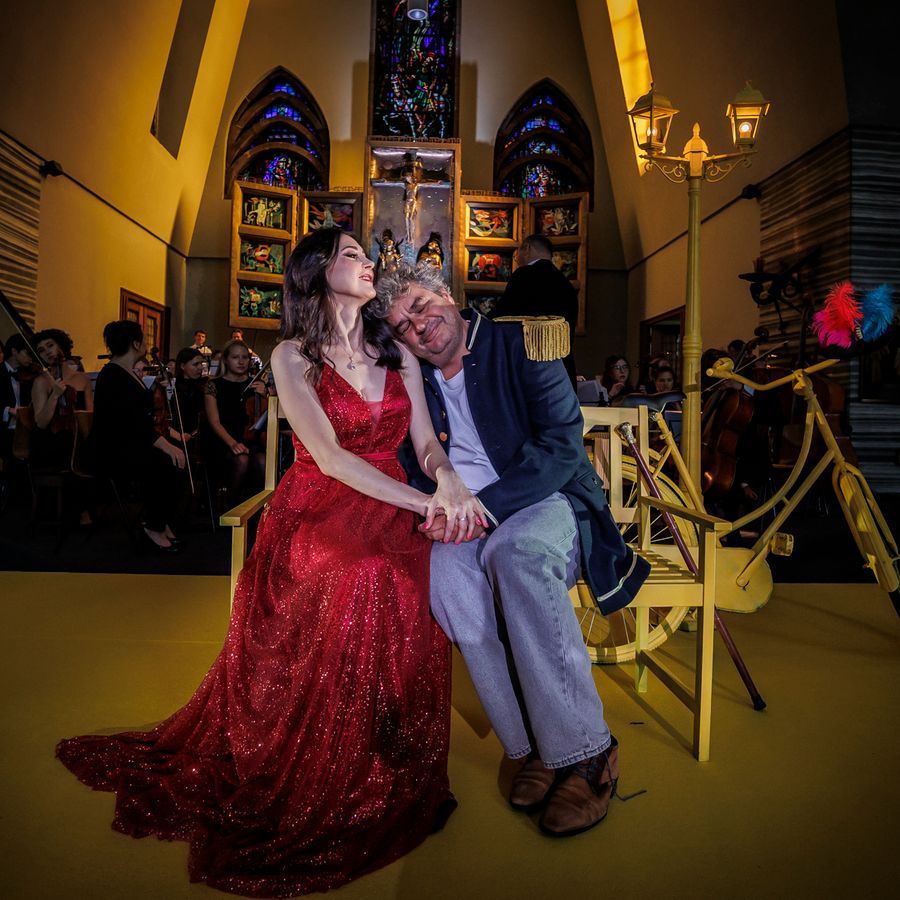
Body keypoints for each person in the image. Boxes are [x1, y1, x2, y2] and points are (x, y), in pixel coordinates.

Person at [57, 227, 480, 896]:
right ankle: (327, 761)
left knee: (409, 575)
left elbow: (425, 443)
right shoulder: (292, 354)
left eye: (365, 255)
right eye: (351, 254)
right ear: (315, 272)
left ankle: (386, 760)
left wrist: (447, 477)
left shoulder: (396, 349)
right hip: (320, 504)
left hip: (393, 498)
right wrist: (426, 503)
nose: (367, 263)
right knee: (357, 574)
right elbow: (331, 459)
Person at [375, 260, 650, 838]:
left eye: (421, 306)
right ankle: (533, 747)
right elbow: (411, 460)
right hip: (466, 516)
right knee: (447, 584)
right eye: (403, 326)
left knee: (516, 554)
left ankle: (589, 753)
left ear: (446, 293)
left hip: (545, 501)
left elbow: (562, 448)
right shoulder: (412, 380)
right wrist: (438, 509)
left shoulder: (523, 342)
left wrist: (487, 508)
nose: (419, 327)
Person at [82, 320, 187, 551]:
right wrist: (166, 446)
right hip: (110, 451)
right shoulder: (113, 375)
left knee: (175, 460)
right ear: (135, 343)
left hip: (128, 444)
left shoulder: (127, 373)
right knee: (165, 462)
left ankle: (159, 520)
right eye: (143, 340)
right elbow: (129, 422)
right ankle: (153, 525)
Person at [490, 233, 579, 388]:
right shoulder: (567, 285)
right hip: (563, 371)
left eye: (517, 254)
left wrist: (473, 321)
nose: (517, 259)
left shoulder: (525, 275)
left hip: (532, 371)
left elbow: (502, 315)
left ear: (527, 248)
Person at [203, 338, 269, 507]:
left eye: (245, 357)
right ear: (225, 359)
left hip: (250, 440)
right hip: (223, 442)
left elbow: (266, 418)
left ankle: (254, 510)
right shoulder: (213, 385)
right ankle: (232, 509)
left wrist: (266, 395)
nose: (241, 361)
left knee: (263, 462)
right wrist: (233, 444)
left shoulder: (255, 385)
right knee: (242, 461)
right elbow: (214, 422)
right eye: (235, 357)